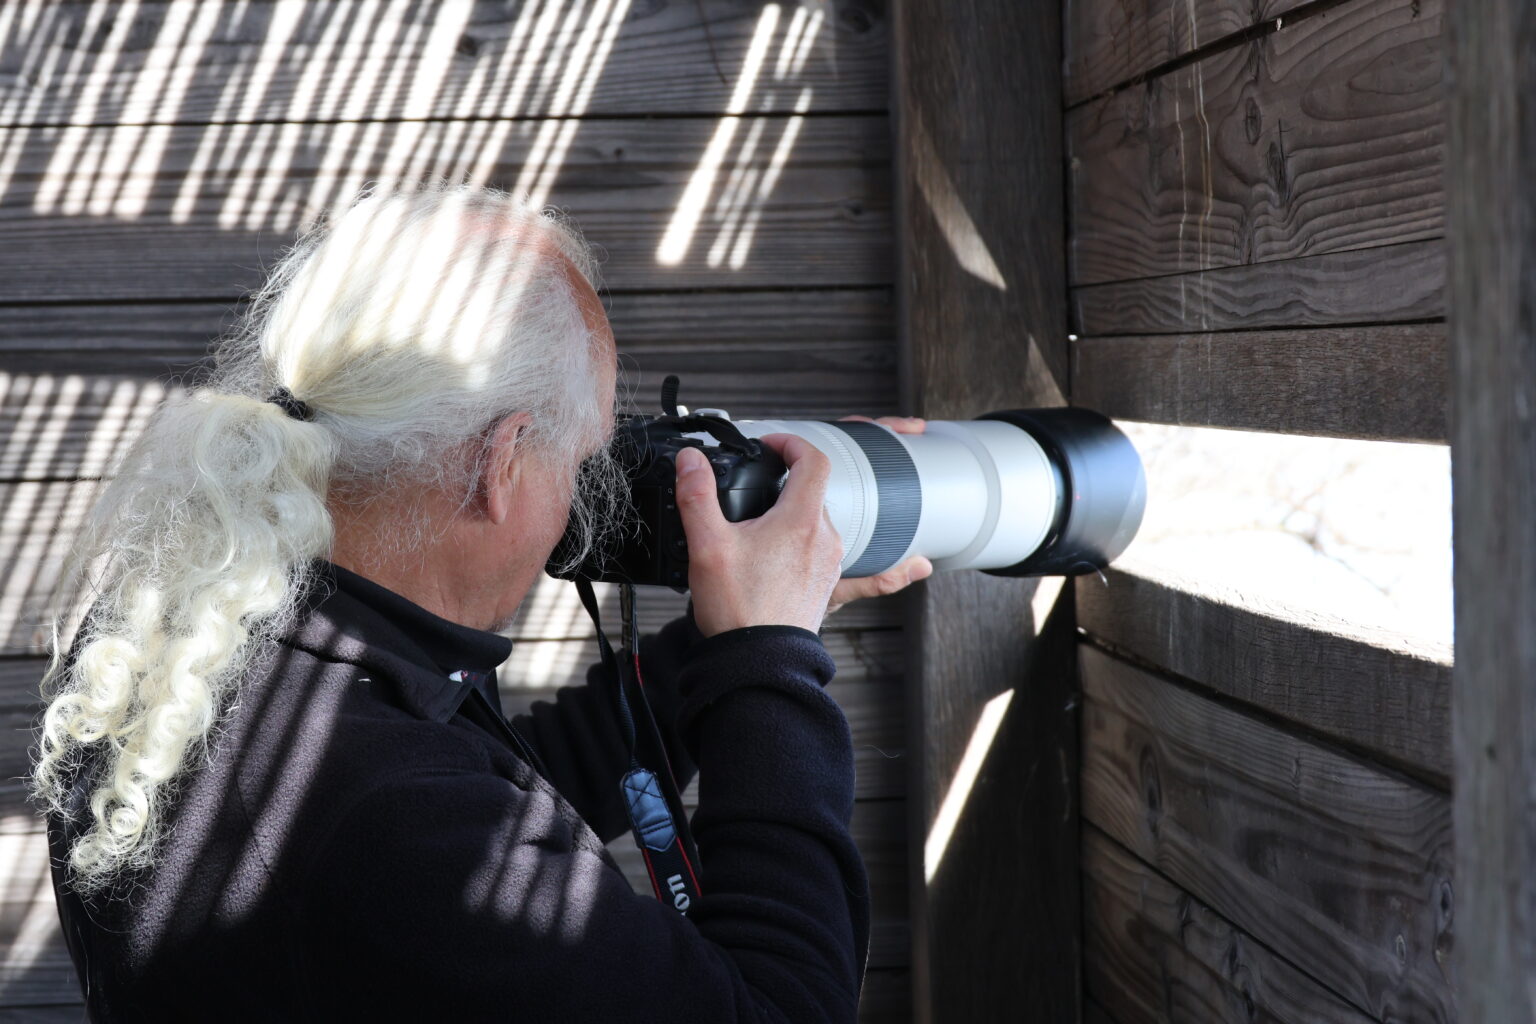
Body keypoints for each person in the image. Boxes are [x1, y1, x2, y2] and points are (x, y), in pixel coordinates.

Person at [32, 184, 931, 1022]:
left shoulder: (180, 630)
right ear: (503, 463)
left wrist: (714, 642)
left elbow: (487, 786)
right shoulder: (391, 824)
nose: (588, 503)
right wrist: (768, 663)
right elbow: (781, 1005)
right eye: (582, 464)